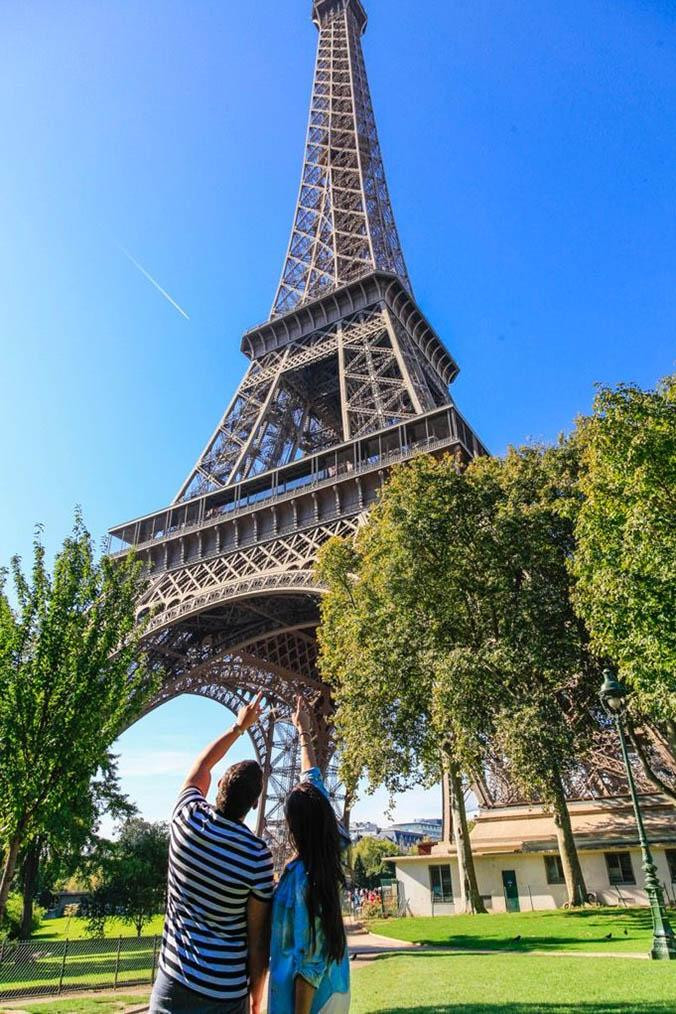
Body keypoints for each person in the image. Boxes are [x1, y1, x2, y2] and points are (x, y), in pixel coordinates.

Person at [150, 691, 273, 1014]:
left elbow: (201, 765)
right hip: (226, 994)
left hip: (173, 982)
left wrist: (238, 727)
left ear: (219, 785)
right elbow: (258, 939)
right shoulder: (257, 856)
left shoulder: (186, 818)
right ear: (254, 803)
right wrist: (257, 996)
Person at [268, 697, 351, 1014]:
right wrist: (304, 732)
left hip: (310, 1002)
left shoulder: (303, 880)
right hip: (333, 987)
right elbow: (314, 783)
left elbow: (310, 962)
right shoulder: (331, 852)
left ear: (295, 828)